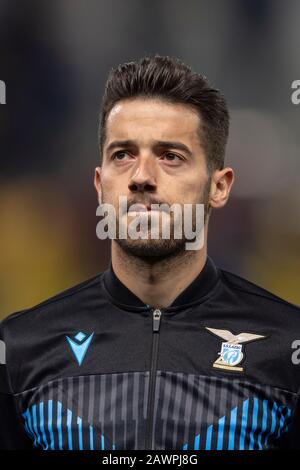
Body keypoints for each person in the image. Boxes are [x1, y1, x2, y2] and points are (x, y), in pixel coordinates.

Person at [1, 55, 300, 450]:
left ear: (219, 186)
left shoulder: (287, 345)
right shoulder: (21, 346)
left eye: (170, 156)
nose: (141, 177)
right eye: (122, 154)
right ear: (99, 184)